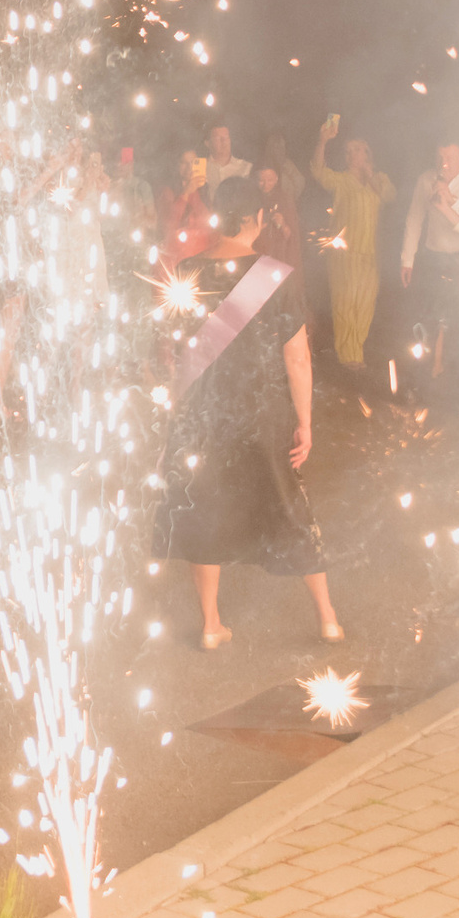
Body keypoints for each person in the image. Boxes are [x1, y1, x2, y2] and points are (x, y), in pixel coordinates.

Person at [153, 176, 342, 651]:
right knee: (290, 506)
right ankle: (328, 618)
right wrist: (305, 423)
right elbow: (297, 357)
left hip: (204, 414)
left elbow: (180, 355)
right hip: (261, 413)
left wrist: (175, 416)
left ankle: (212, 625)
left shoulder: (188, 271)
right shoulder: (274, 276)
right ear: (257, 219)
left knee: (206, 511)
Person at [399, 140, 459, 383]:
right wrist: (407, 259)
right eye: (440, 156)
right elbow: (415, 219)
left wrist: (450, 201)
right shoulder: (425, 180)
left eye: (450, 157)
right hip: (435, 259)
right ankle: (423, 377)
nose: (444, 163)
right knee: (429, 318)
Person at [309, 117, 394, 371]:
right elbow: (318, 171)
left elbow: (390, 197)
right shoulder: (342, 180)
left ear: (366, 152)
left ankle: (356, 351)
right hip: (344, 254)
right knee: (344, 303)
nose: (349, 155)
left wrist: (371, 176)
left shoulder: (380, 179)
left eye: (355, 150)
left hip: (370, 254)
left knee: (365, 305)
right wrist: (323, 141)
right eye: (346, 152)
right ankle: (349, 357)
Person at [155, 150, 214, 262]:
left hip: (201, 254)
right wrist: (186, 193)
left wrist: (194, 191)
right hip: (176, 256)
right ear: (177, 165)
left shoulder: (204, 190)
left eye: (193, 162)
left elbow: (207, 223)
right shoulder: (167, 191)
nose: (189, 167)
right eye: (184, 162)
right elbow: (169, 223)